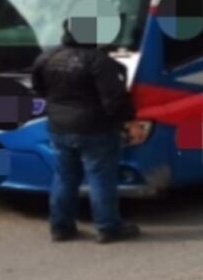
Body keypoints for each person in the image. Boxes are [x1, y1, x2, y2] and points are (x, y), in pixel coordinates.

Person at [32, 19, 141, 244]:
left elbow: (40, 90)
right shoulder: (99, 61)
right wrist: (129, 121)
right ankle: (108, 227)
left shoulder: (46, 58)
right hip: (96, 129)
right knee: (101, 178)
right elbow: (115, 100)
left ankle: (61, 227)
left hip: (59, 127)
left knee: (64, 177)